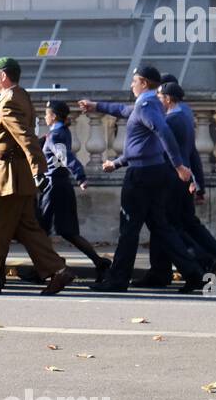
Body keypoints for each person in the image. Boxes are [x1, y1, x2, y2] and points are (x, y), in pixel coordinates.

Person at [79, 65, 205, 293]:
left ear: (144, 83)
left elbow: (163, 132)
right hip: (153, 172)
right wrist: (96, 106)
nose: (131, 84)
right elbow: (122, 110)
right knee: (161, 227)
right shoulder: (150, 104)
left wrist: (178, 165)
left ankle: (117, 280)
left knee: (129, 228)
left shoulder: (147, 106)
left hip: (141, 174)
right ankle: (194, 273)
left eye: (134, 80)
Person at [0, 58, 73, 296]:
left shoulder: (9, 101)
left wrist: (38, 169)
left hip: (7, 178)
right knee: (28, 230)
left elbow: (25, 136)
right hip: (16, 176)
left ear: (3, 76)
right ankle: (58, 270)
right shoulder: (18, 95)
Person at [140, 81, 216, 287]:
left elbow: (164, 150)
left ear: (168, 98)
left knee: (169, 227)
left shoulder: (171, 119)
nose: (157, 101)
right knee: (185, 224)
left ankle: (202, 262)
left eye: (160, 97)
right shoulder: (186, 114)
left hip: (171, 178)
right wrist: (198, 182)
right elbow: (192, 153)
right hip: (184, 178)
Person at [37, 100, 111, 283]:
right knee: (68, 231)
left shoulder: (55, 135)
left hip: (54, 186)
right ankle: (99, 263)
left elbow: (65, 157)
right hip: (61, 185)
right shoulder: (61, 132)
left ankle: (45, 268)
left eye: (47, 114)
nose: (45, 117)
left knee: (40, 230)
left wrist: (80, 176)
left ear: (53, 116)